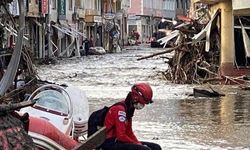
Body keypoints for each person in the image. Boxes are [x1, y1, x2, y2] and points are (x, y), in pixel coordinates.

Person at [100, 82, 162, 150]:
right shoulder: (120, 110)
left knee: (156, 147)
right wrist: (137, 144)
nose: (142, 105)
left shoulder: (129, 108)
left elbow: (129, 132)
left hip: (118, 141)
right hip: (110, 144)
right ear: (136, 98)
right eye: (142, 103)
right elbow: (121, 136)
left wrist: (139, 144)